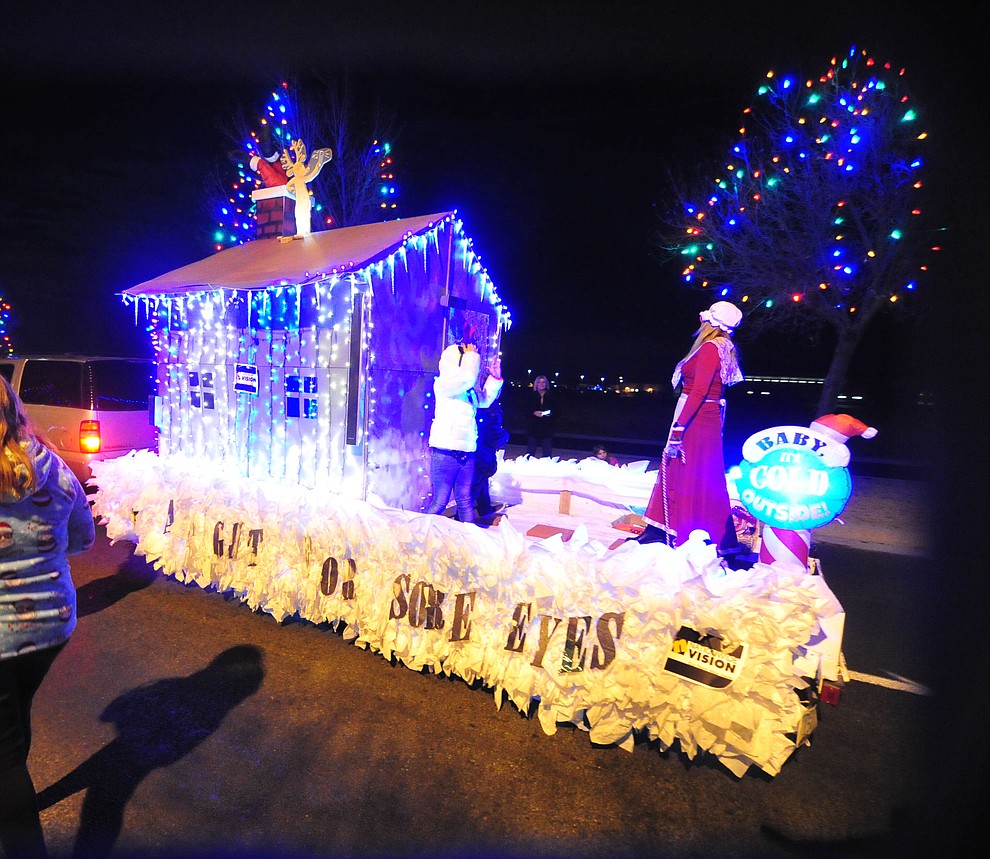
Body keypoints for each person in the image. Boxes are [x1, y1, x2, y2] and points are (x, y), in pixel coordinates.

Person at [0, 376, 95, 859]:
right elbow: (83, 537)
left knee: (4, 755)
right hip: (50, 625)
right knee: (13, 720)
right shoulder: (52, 466)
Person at [638, 301, 744, 551]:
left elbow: (698, 392)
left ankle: (684, 531)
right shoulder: (723, 347)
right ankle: (670, 527)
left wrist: (678, 428)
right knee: (697, 474)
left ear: (711, 323)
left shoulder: (710, 348)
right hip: (705, 416)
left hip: (697, 418)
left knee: (686, 471)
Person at [424, 343, 503, 525]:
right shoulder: (443, 384)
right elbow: (467, 378)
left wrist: (495, 379)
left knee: (465, 500)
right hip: (445, 453)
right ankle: (417, 535)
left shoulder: (467, 391)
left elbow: (484, 401)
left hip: (466, 453)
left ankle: (468, 541)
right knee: (440, 502)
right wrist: (471, 356)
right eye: (465, 358)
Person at [472, 397, 510, 520]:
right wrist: (505, 435)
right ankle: (461, 521)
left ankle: (484, 507)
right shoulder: (490, 410)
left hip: (472, 449)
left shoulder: (473, 402)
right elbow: (495, 436)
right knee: (475, 484)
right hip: (482, 452)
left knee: (480, 480)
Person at [526, 375, 555, 458]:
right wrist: (534, 412)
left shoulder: (552, 396)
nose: (541, 384)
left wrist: (550, 413)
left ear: (546, 384)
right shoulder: (531, 396)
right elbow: (525, 409)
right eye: (539, 382)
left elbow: (558, 410)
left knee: (547, 453)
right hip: (533, 427)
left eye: (543, 382)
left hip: (547, 428)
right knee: (530, 452)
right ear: (536, 384)